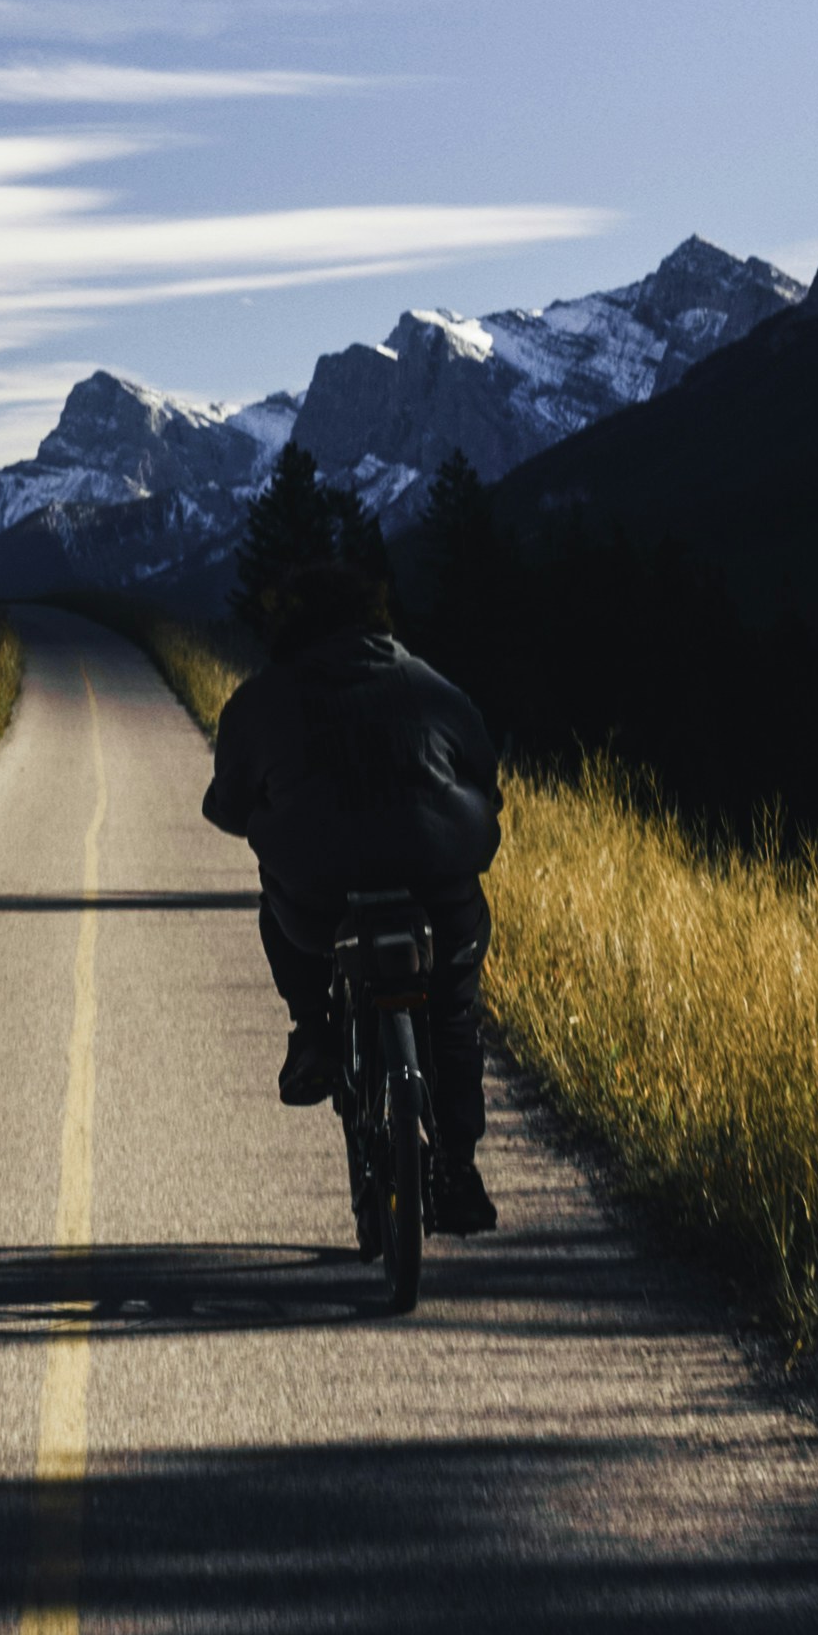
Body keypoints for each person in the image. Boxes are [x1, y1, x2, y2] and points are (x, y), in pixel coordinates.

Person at [200, 512, 504, 1220]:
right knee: (455, 1010)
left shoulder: (261, 700)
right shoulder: (428, 682)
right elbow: (484, 772)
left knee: (277, 900)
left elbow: (226, 806)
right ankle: (458, 1168)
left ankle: (313, 1030)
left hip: (322, 893)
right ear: (374, 617)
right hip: (439, 878)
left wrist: (262, 819)